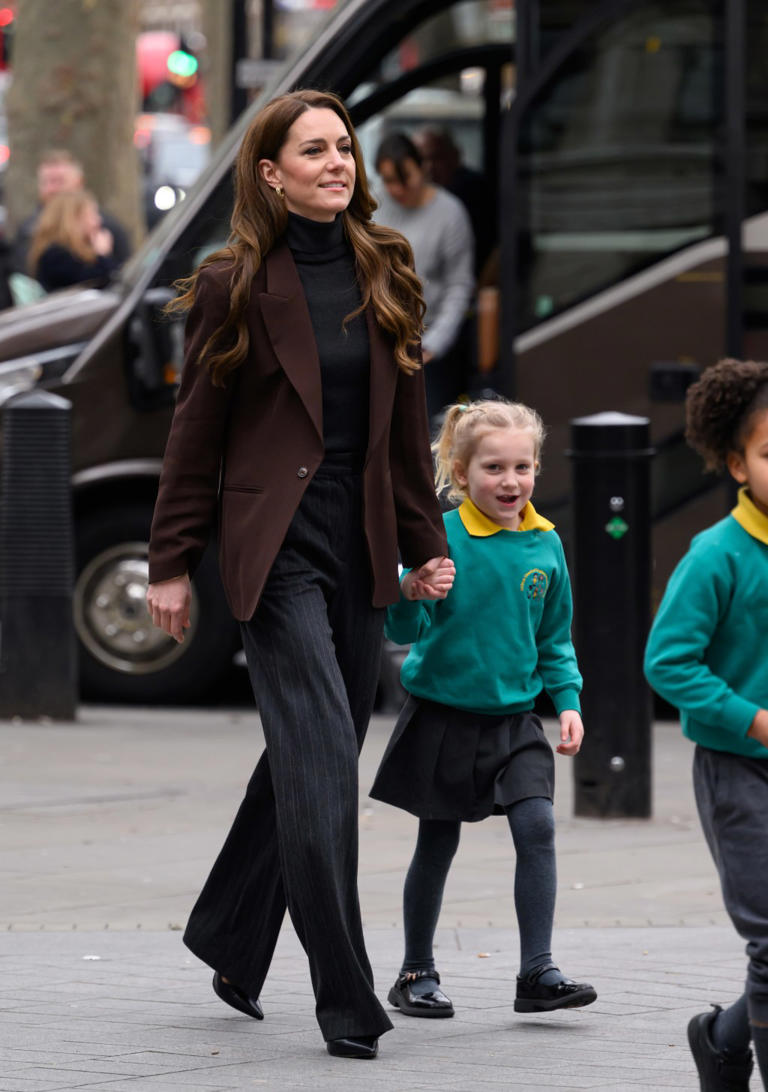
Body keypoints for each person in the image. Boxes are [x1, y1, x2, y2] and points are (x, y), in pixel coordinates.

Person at [145, 89, 455, 1060]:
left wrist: (424, 538)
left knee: (307, 757)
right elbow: (194, 434)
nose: (337, 162)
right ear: (271, 174)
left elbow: (403, 429)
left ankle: (232, 936)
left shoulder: (385, 265)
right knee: (324, 764)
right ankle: (347, 995)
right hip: (272, 554)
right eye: (314, 150)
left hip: (359, 547)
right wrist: (169, 562)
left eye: (344, 147)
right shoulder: (233, 283)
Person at [370, 398, 597, 1020]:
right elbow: (405, 624)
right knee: (437, 842)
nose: (510, 481)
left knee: (538, 828)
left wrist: (569, 702)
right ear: (461, 471)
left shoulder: (546, 545)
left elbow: (554, 636)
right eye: (493, 468)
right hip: (441, 716)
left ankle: (537, 972)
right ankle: (415, 971)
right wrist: (411, 587)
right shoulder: (440, 535)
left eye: (522, 467)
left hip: (516, 720)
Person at [644, 358, 768, 1091]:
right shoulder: (716, 555)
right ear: (736, 462)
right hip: (736, 770)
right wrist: (751, 720)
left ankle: (721, 1040)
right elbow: (668, 662)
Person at [374, 133, 474, 422]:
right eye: (389, 180)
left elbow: (459, 286)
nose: (398, 189)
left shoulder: (450, 213)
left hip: (427, 345)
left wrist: (433, 345)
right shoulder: (375, 206)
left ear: (423, 168)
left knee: (424, 427)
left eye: (406, 178)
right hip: (379, 341)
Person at [13, 149, 131, 275]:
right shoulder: (28, 231)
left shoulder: (105, 228)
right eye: (45, 182)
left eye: (59, 181)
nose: (51, 189)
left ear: (79, 183)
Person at [413, 126, 493, 273]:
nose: (428, 167)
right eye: (420, 160)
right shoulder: (406, 197)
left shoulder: (473, 193)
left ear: (455, 156)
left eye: (436, 158)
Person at [27, 191, 118, 292]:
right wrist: (103, 255)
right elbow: (101, 282)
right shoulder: (56, 256)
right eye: (93, 215)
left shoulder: (70, 252)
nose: (99, 220)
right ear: (74, 219)